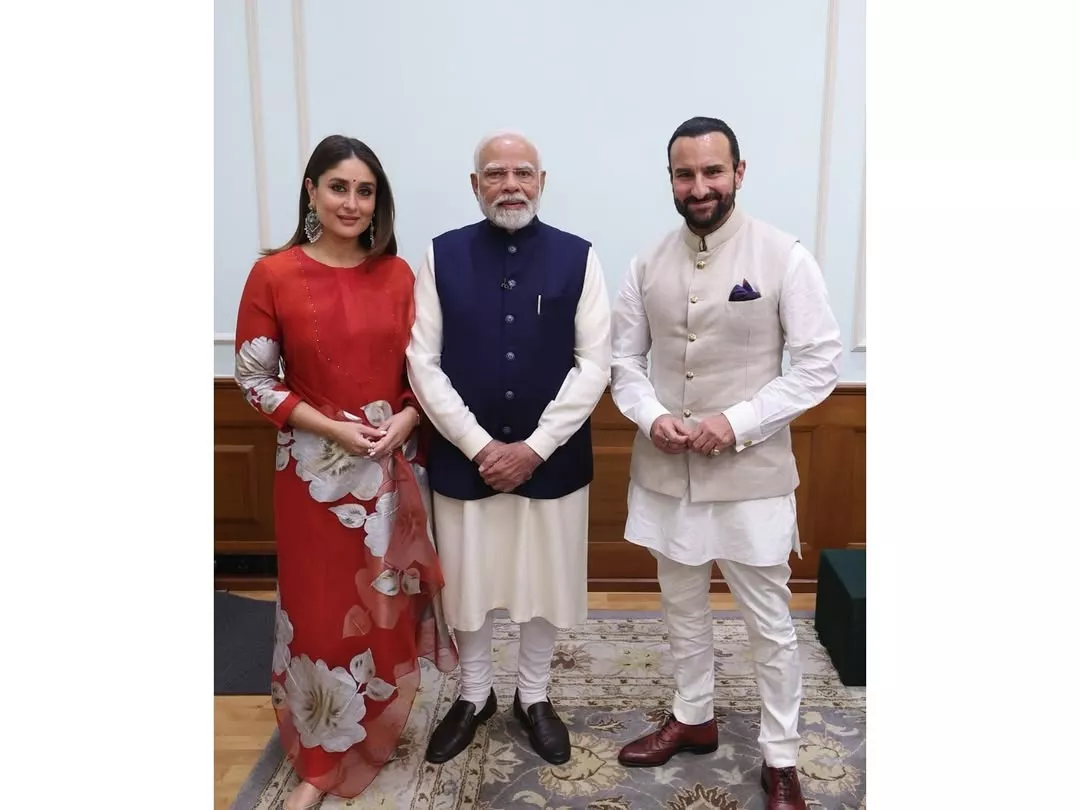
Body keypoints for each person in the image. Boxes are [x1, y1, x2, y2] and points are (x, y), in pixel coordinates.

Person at [608, 117, 842, 810]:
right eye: (685, 174)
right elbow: (624, 361)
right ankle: (693, 717)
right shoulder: (646, 263)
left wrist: (735, 423)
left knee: (769, 624)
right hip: (665, 474)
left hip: (751, 478)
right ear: (671, 180)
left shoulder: (784, 256)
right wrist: (651, 416)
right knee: (681, 609)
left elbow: (820, 363)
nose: (700, 186)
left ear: (739, 172)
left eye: (713, 171)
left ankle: (781, 757)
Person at [233, 134, 457, 809]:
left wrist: (408, 418)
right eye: (338, 187)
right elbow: (254, 381)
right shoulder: (273, 275)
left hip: (390, 475)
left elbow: (427, 374)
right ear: (311, 191)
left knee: (382, 608)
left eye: (365, 191)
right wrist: (332, 428)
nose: (352, 203)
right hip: (313, 481)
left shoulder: (399, 277)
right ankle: (320, 757)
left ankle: (372, 724)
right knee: (320, 612)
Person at [406, 130, 611, 766]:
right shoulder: (441, 255)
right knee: (468, 581)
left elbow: (595, 364)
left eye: (523, 172)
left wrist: (535, 448)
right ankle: (474, 695)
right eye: (495, 173)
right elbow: (422, 362)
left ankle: (534, 695)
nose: (510, 185)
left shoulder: (580, 257)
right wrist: (477, 445)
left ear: (542, 182)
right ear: (476, 185)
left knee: (544, 579)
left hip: (553, 460)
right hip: (463, 459)